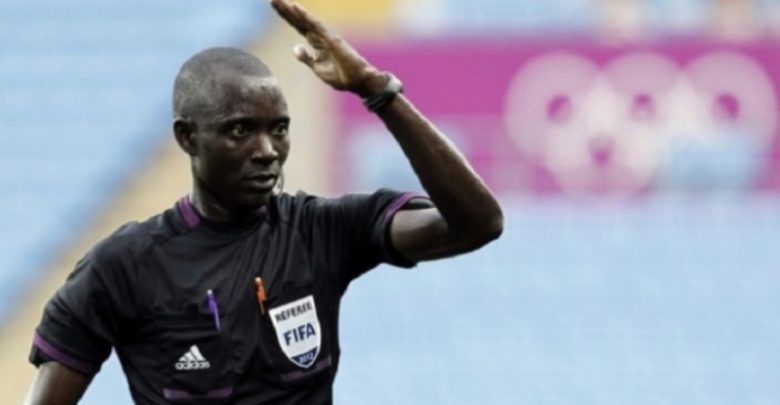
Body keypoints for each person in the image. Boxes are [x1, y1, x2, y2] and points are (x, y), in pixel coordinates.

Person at [23, 0, 503, 403]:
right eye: (240, 130)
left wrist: (377, 90)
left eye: (279, 129)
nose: (267, 150)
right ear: (188, 138)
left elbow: (478, 224)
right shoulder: (123, 266)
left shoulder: (321, 231)